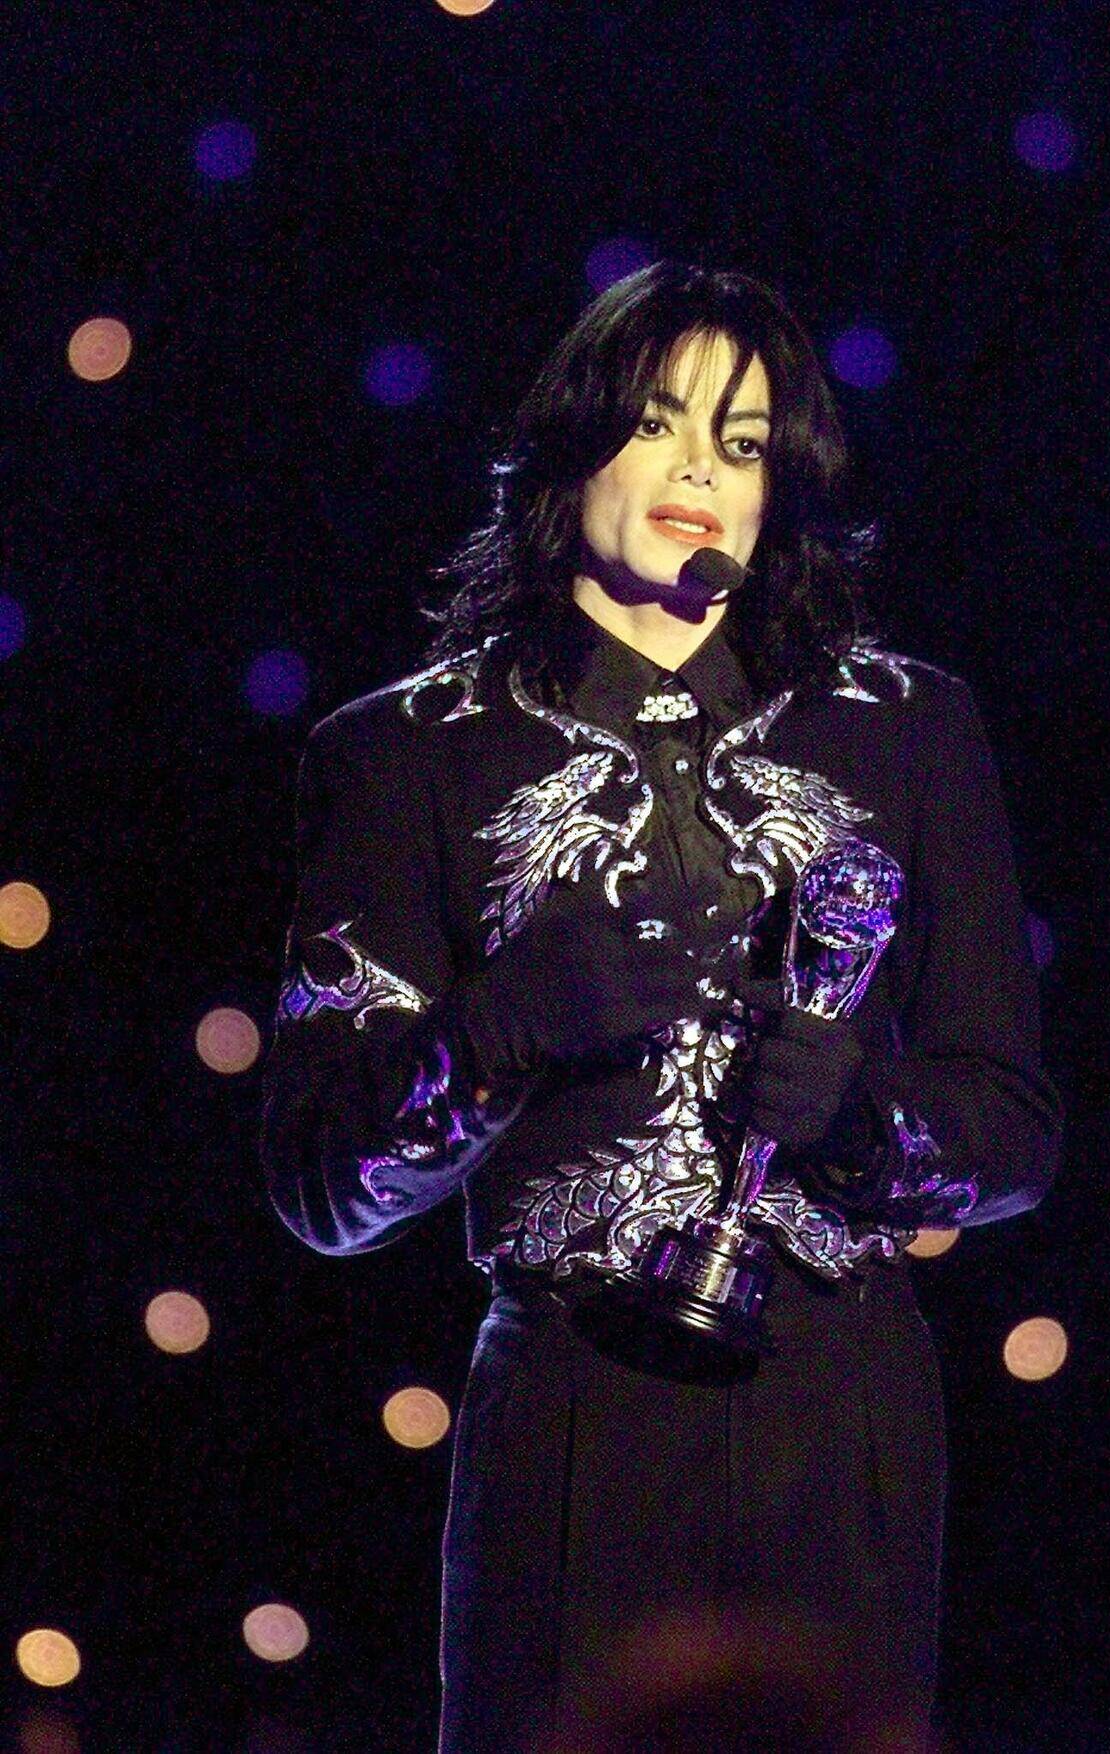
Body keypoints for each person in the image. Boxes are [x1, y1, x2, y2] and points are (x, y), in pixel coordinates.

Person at [260, 261, 1062, 1753]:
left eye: (743, 441)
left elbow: (1015, 1130)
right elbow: (320, 1182)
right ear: (573, 456)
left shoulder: (910, 725)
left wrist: (864, 1119)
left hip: (844, 1411)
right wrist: (501, 1024)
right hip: (578, 1414)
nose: (701, 467)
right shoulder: (408, 753)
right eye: (659, 422)